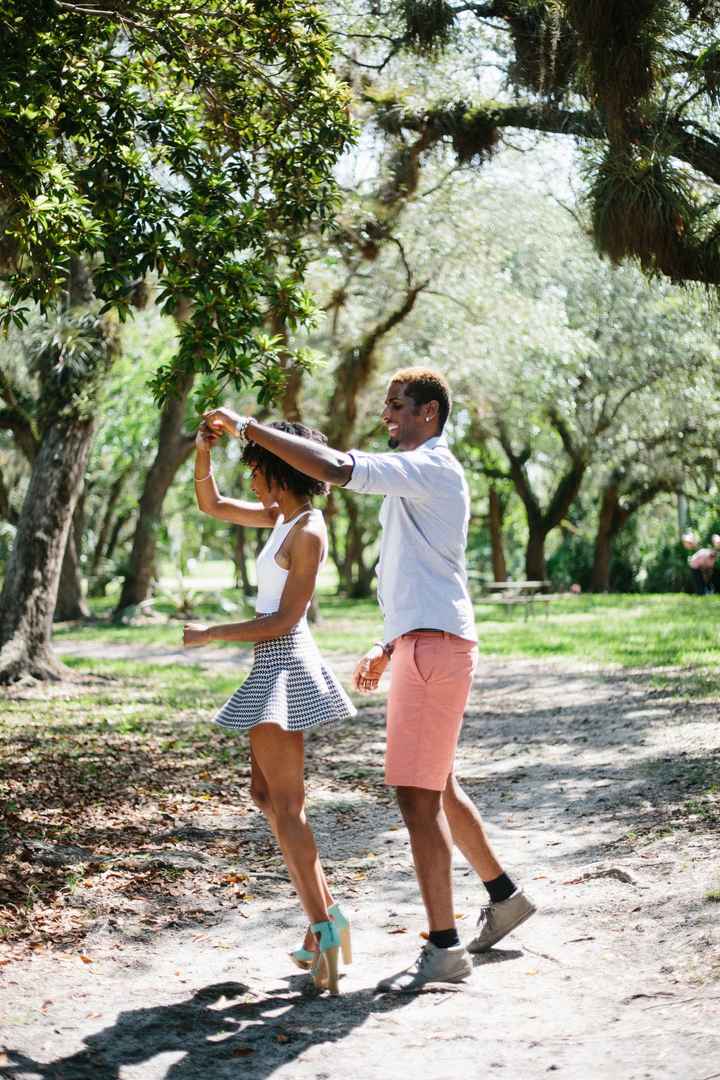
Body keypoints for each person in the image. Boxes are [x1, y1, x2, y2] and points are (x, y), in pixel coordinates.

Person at [203, 367, 536, 993]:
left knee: (417, 798)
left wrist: (248, 426)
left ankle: (444, 948)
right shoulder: (416, 479)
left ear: (429, 413)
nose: (387, 416)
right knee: (438, 785)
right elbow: (423, 575)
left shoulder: (430, 466)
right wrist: (389, 644)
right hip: (423, 642)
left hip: (435, 648)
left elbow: (334, 467)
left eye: (397, 406)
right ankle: (504, 895)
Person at [182, 419, 356, 995]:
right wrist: (203, 452)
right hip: (268, 663)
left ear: (279, 471)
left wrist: (212, 633)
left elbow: (284, 619)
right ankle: (329, 915)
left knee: (286, 805)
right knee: (265, 796)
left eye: (256, 470)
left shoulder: (308, 530)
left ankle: (323, 930)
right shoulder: (281, 517)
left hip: (285, 661)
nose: (252, 481)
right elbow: (212, 505)